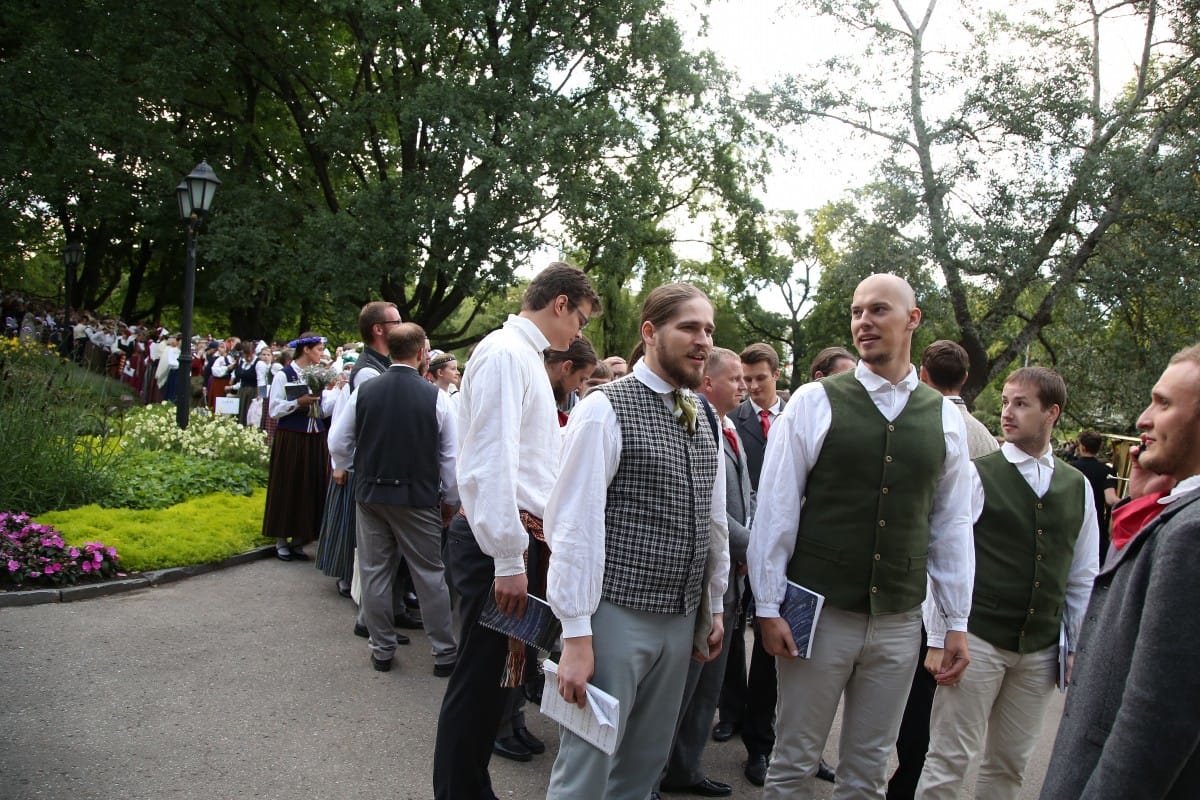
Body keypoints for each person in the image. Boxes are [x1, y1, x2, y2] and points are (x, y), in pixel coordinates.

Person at [748, 273, 975, 799]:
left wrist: (954, 622)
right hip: (818, 612)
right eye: (857, 312)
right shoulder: (814, 401)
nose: (864, 322)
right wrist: (768, 605)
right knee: (794, 759)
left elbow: (951, 526)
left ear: (912, 319)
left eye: (878, 310)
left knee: (869, 768)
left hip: (899, 619)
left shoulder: (944, 418)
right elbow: (776, 511)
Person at [544, 283, 729, 800]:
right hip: (614, 617)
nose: (703, 340)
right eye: (689, 327)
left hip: (680, 618)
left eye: (708, 330)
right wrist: (576, 636)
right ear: (650, 332)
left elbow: (713, 518)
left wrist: (713, 604)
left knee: (643, 770)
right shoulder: (604, 408)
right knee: (585, 770)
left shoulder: (703, 413)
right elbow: (573, 525)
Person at [432, 262, 599, 800]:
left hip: (514, 541)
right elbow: (490, 462)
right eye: (580, 319)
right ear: (560, 303)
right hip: (500, 546)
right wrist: (508, 558)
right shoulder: (506, 353)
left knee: (494, 686)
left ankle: (470, 787)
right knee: (478, 685)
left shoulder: (521, 355)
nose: (578, 332)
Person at [916, 367, 1098, 799]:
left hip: (1040, 648)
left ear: (1052, 413)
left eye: (1021, 404)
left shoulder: (1077, 486)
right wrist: (939, 636)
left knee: (1011, 765)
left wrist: (1075, 646)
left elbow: (1082, 575)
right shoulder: (978, 474)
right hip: (977, 638)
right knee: (948, 758)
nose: (1007, 413)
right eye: (1005, 403)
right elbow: (943, 557)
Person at [1038, 344, 1200, 799]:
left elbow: (1155, 718)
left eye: (1164, 404)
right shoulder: (1179, 516)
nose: (1144, 419)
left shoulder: (1191, 533)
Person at [888, 339, 999, 800]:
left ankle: (905, 782)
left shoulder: (921, 420)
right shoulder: (987, 440)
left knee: (913, 699)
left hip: (915, 580)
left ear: (923, 374)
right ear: (966, 378)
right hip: (960, 583)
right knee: (936, 705)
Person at [327, 322, 459, 675]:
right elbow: (450, 458)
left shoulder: (365, 391)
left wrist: (353, 465)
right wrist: (450, 499)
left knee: (374, 572)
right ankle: (444, 652)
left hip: (371, 493)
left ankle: (382, 648)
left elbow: (338, 441)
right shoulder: (437, 398)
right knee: (429, 574)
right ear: (421, 353)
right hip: (417, 496)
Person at [494, 336, 598, 764]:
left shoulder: (557, 410)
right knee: (508, 641)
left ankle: (513, 715)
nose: (578, 389)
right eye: (580, 379)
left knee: (525, 636)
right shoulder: (530, 398)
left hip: (537, 529)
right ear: (565, 367)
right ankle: (500, 724)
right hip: (517, 531)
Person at [656, 347, 753, 799]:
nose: (744, 386)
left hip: (729, 581)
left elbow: (744, 499)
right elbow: (710, 510)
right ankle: (651, 773)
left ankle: (686, 767)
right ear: (708, 383)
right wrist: (755, 546)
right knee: (680, 688)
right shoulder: (693, 424)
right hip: (703, 576)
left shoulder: (729, 428)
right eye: (735, 379)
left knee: (707, 687)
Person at [262, 332, 337, 561]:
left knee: (309, 485)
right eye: (319, 349)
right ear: (306, 349)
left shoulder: (319, 375)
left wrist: (338, 394)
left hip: (315, 437)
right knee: (288, 483)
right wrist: (297, 402)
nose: (322, 354)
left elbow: (323, 410)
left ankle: (300, 538)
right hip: (292, 437)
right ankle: (281, 540)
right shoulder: (284, 375)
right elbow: (274, 409)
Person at [1068, 430, 1117, 561]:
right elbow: (1111, 499)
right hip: (1096, 526)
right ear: (1099, 447)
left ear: (1082, 447)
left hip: (1072, 524)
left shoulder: (1070, 469)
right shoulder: (1106, 470)